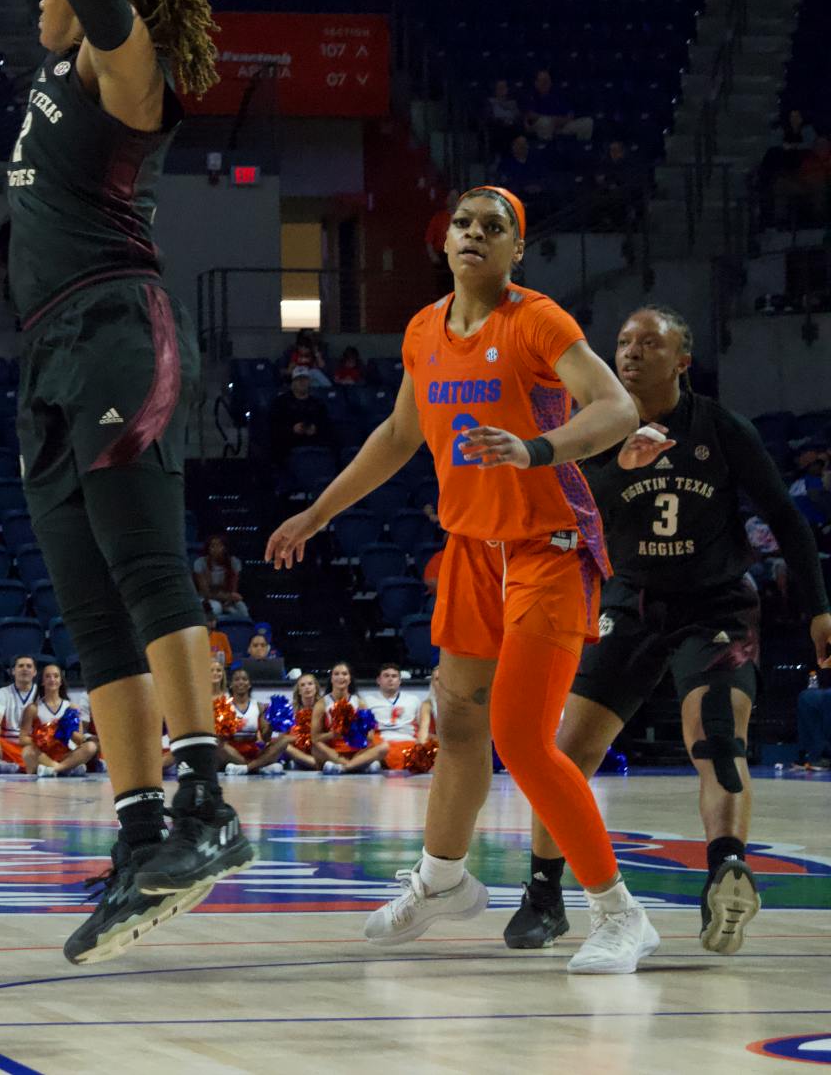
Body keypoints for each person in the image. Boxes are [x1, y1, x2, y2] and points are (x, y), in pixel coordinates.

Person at [0, 0, 244, 964]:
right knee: (86, 604)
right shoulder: (59, 58)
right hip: (45, 354)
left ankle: (204, 802)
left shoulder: (128, 69)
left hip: (118, 329)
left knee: (144, 569)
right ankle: (136, 829)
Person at [267, 183, 657, 974]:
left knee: (520, 736)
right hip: (473, 551)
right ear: (444, 243)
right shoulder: (422, 330)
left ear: (518, 249)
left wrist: (536, 448)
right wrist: (317, 513)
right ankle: (443, 878)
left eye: (495, 227)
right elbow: (400, 433)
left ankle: (620, 912)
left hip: (548, 547)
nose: (475, 234)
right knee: (460, 723)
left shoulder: (538, 320)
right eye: (464, 224)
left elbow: (616, 408)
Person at [505, 305, 831, 957]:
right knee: (563, 753)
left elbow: (787, 521)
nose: (630, 352)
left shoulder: (720, 427)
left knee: (715, 737)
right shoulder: (591, 431)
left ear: (682, 359)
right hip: (629, 602)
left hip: (715, 609)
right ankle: (544, 893)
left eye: (649, 343)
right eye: (623, 342)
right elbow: (561, 524)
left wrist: (820, 608)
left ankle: (726, 872)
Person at [309, 660, 387, 774]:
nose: (341, 677)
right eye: (336, 674)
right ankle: (359, 765)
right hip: (332, 752)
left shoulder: (359, 703)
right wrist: (333, 734)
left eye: (344, 674)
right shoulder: (322, 704)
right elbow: (315, 738)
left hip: (357, 751)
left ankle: (345, 767)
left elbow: (370, 737)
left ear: (350, 679)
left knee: (384, 747)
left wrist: (353, 732)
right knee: (316, 747)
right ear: (331, 679)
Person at [217, 664, 286, 775]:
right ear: (231, 685)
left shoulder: (259, 706)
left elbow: (265, 737)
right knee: (217, 744)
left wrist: (272, 725)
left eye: (244, 679)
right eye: (237, 679)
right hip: (232, 752)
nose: (241, 682)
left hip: (254, 751)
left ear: (249, 684)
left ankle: (246, 768)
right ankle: (259, 767)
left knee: (284, 741)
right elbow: (221, 737)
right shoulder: (225, 706)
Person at [369, 662, 436, 773]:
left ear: (399, 681)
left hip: (408, 738)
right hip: (382, 739)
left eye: (394, 676)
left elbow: (421, 727)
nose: (390, 679)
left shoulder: (413, 700)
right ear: (378, 680)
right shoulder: (368, 700)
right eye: (386, 676)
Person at [0, 653, 42, 773]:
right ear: (13, 671)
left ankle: (18, 766)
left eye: (29, 666)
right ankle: (37, 766)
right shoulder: (2, 693)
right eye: (21, 666)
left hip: (33, 745)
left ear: (35, 672)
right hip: (10, 745)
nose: (25, 669)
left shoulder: (42, 693)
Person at [268, 367, 331, 465]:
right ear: (292, 383)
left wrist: (315, 429)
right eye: (298, 379)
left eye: (305, 379)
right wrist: (292, 429)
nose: (302, 382)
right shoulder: (281, 402)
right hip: (288, 443)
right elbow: (273, 426)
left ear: (309, 382)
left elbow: (326, 424)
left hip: (313, 441)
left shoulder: (318, 404)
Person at [521, 67, 594, 144]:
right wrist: (553, 120)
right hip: (541, 127)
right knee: (545, 122)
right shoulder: (531, 96)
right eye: (542, 81)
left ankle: (580, 151)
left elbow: (569, 115)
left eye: (547, 80)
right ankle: (546, 151)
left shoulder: (557, 95)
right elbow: (531, 116)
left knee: (587, 122)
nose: (545, 83)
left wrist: (556, 121)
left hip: (561, 126)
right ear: (536, 83)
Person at [192, 534, 247, 620]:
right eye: (213, 546)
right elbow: (205, 592)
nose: (216, 549)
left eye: (219, 545)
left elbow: (233, 590)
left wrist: (228, 600)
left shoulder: (234, 562)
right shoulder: (200, 563)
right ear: (208, 548)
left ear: (225, 547)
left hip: (227, 598)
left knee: (242, 608)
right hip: (207, 599)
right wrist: (226, 597)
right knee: (216, 608)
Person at [280, 673, 323, 770]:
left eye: (310, 684)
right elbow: (283, 737)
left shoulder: (324, 708)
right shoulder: (290, 712)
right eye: (302, 685)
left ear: (316, 688)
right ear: (299, 691)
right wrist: (297, 738)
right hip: (297, 752)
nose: (307, 687)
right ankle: (316, 764)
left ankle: (314, 764)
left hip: (318, 749)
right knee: (282, 744)